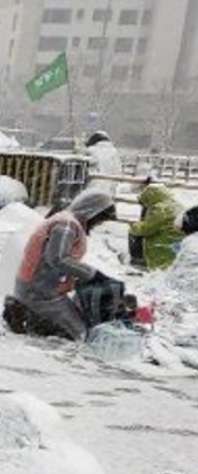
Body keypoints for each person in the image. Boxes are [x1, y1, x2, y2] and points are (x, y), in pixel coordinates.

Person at [11, 190, 118, 341]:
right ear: (92, 212)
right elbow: (58, 258)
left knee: (74, 322)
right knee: (81, 333)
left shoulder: (68, 221)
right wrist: (92, 274)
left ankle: (36, 323)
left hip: (41, 286)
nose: (99, 224)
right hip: (39, 292)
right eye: (100, 219)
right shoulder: (66, 225)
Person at [130, 185, 185, 271]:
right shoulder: (178, 205)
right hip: (177, 245)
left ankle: (138, 261)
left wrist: (134, 226)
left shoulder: (160, 209)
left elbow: (147, 229)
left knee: (135, 231)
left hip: (162, 247)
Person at [85, 131, 122, 196]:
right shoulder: (114, 152)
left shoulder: (90, 151)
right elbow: (118, 171)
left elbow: (85, 169)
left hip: (93, 189)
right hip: (110, 188)